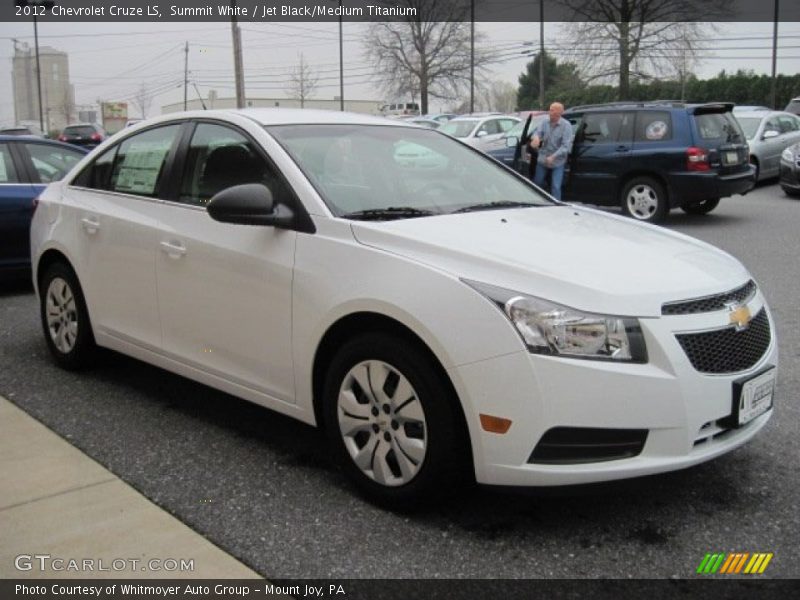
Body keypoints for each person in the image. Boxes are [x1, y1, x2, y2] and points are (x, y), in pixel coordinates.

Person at [529, 102, 573, 200]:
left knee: (555, 186)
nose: (550, 112)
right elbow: (537, 133)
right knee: (537, 184)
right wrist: (535, 138)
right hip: (543, 159)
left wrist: (553, 157)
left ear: (559, 112)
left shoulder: (566, 126)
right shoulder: (544, 122)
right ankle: (535, 202)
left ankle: (556, 205)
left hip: (558, 161)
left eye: (552, 110)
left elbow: (565, 146)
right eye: (550, 109)